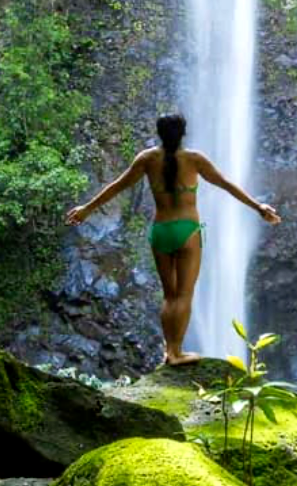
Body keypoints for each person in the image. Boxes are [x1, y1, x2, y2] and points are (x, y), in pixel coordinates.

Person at [66, 113, 281, 366]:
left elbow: (117, 186)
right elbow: (226, 184)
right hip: (187, 231)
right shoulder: (194, 159)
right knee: (184, 295)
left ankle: (169, 351)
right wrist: (259, 207)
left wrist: (87, 209)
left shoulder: (146, 159)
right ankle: (177, 353)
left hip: (160, 231)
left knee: (169, 296)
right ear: (183, 133)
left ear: (159, 133)